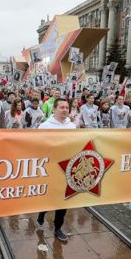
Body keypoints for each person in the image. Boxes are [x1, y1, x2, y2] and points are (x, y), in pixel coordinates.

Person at [36, 98, 76, 242]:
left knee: (64, 199)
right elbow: (37, 146)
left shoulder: (72, 126)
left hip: (67, 168)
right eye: (61, 107)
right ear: (54, 109)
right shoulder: (44, 126)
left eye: (66, 107)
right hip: (50, 167)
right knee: (49, 197)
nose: (65, 110)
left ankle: (58, 228)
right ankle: (42, 213)